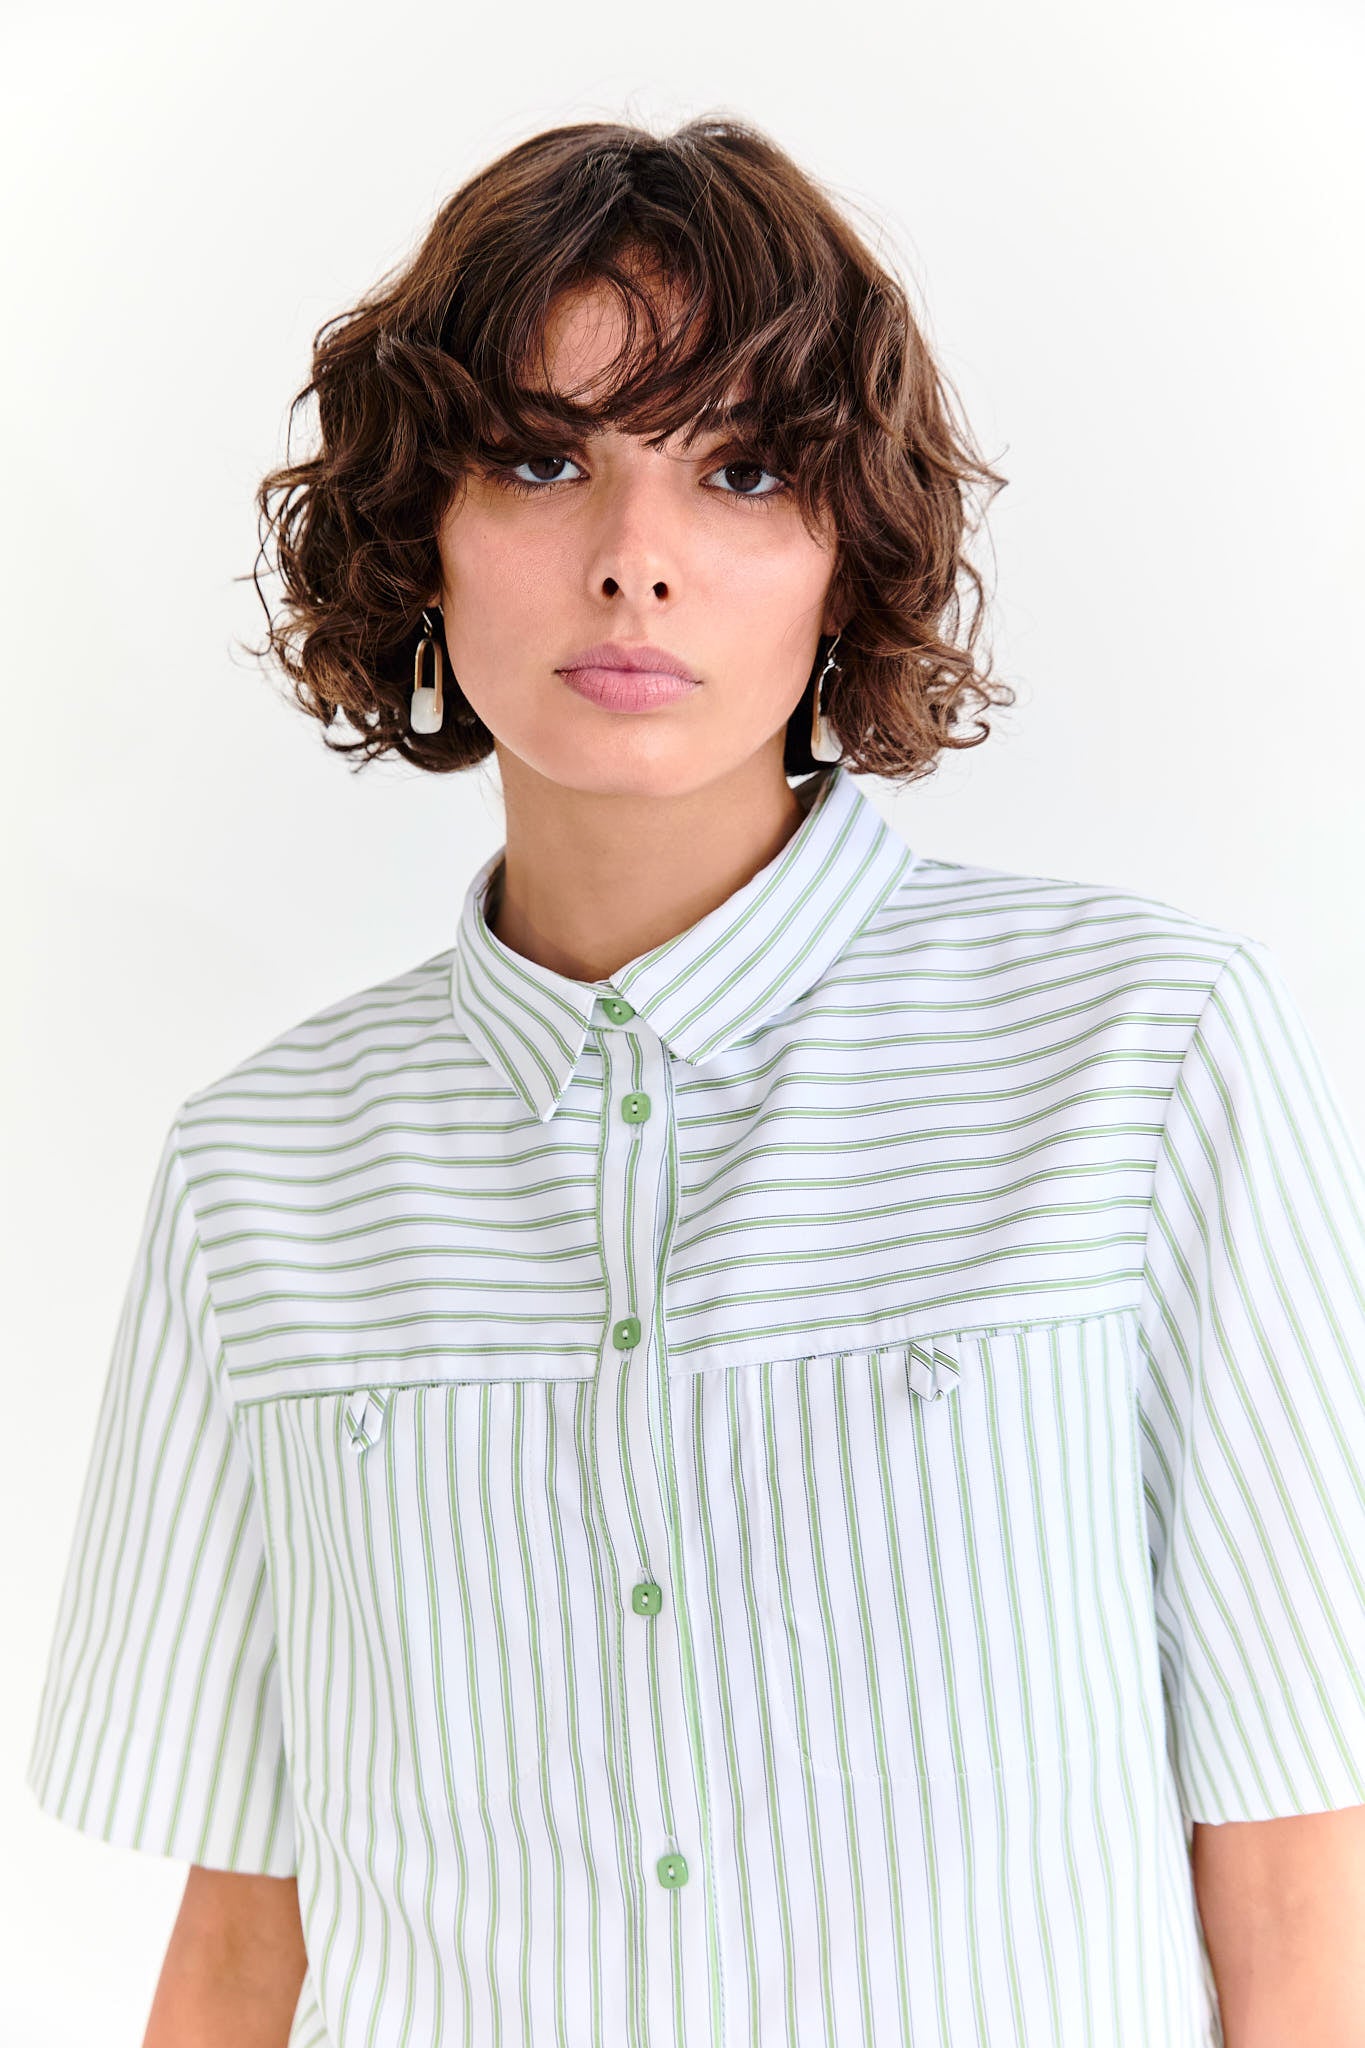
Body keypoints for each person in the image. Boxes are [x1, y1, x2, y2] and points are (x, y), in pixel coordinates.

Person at [27, 114, 1365, 2048]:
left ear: (845, 561)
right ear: (419, 540)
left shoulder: (1144, 1059)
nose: (632, 562)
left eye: (740, 471)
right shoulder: (265, 1169)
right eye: (539, 459)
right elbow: (250, 1936)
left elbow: (1298, 1866)